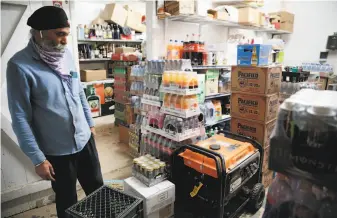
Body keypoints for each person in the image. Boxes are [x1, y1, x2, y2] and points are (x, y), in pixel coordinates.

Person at [6, 6, 103, 218]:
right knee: (67, 200)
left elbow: (79, 93)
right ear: (40, 33)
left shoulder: (66, 55)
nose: (65, 41)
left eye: (66, 35)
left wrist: (91, 124)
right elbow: (20, 117)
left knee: (97, 189)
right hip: (57, 151)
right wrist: (38, 159)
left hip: (84, 140)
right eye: (60, 34)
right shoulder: (19, 66)